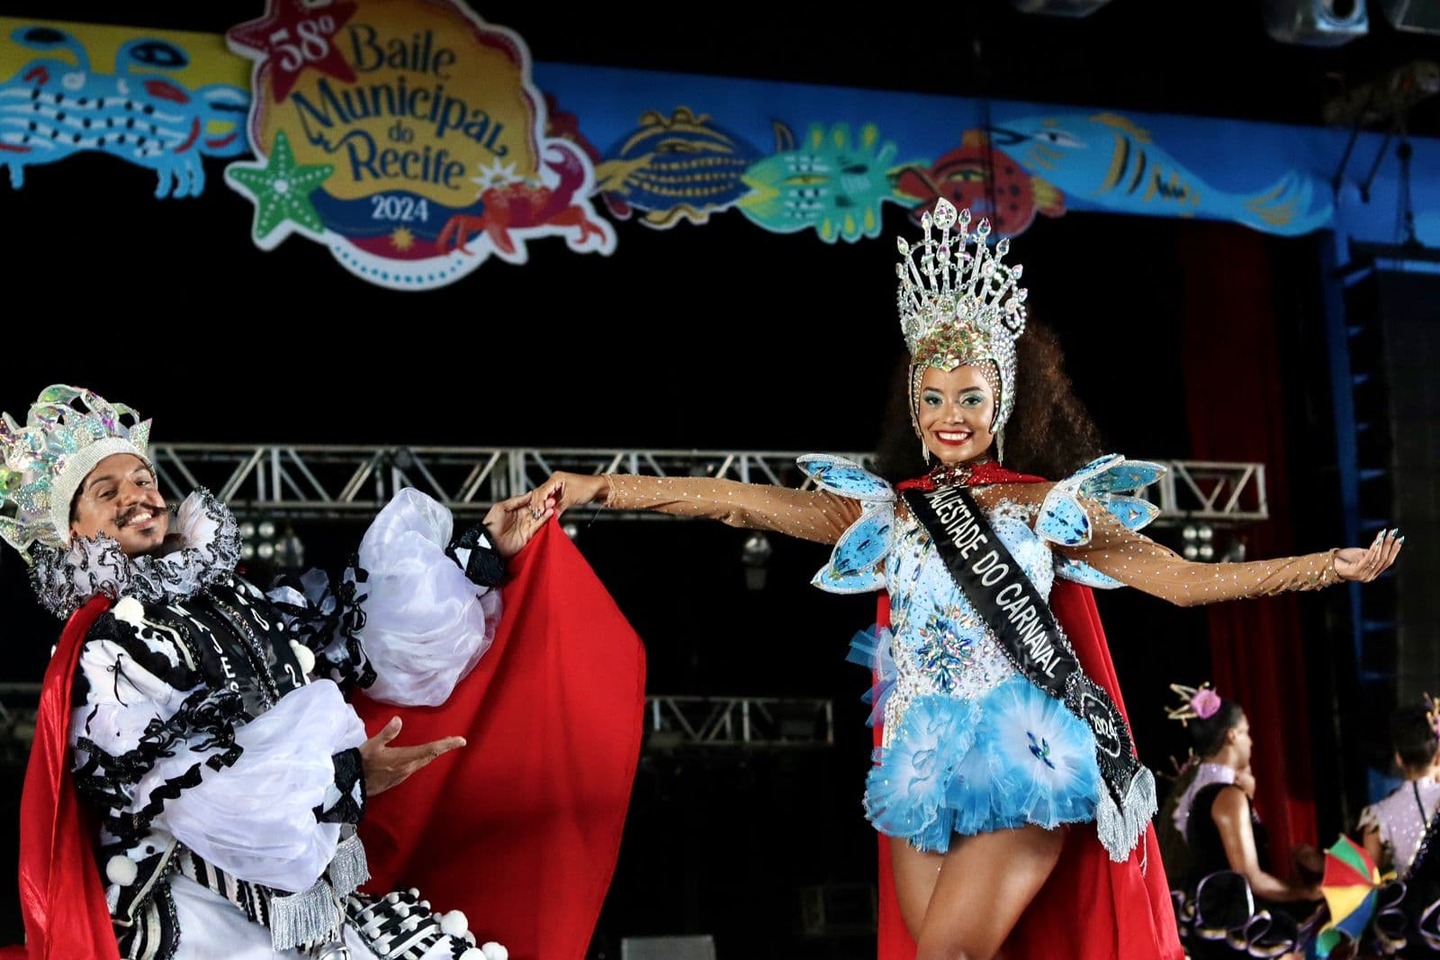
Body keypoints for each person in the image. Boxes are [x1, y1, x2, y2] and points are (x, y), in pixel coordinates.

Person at [526, 197, 1404, 960]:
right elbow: (735, 503)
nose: (952, 417)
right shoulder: (891, 510)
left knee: (945, 950)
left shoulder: (1045, 506)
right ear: (914, 405)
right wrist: (602, 488)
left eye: (971, 396)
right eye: (934, 397)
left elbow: (1181, 582)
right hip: (919, 759)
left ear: (1005, 398)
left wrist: (1324, 567)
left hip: (1020, 756)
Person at [1, 384, 557, 960]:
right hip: (200, 912)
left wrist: (482, 549)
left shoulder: (232, 596)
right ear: (74, 533)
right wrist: (343, 780)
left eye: (143, 479)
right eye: (106, 490)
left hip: (305, 893)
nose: (137, 496)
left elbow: (345, 634)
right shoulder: (106, 646)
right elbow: (172, 784)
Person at [1165, 684, 1324, 960]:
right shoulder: (1226, 795)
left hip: (1202, 914)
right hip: (1229, 917)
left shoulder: (1191, 787)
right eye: (1247, 732)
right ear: (1232, 736)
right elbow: (1251, 877)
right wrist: (1306, 893)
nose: (1250, 741)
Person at [1358, 699, 1440, 879]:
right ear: (1438, 757)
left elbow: (1366, 883)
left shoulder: (1378, 816)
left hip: (1414, 905)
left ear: (1398, 759)